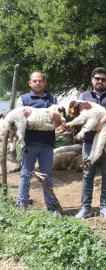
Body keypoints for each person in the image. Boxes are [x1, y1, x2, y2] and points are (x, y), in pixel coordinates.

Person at [75, 67, 106, 219]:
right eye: (97, 78)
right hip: (89, 141)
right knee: (88, 174)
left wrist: (101, 122)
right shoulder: (84, 95)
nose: (100, 81)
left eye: (103, 79)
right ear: (92, 79)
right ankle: (85, 208)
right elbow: (79, 113)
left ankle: (104, 207)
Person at [16, 72, 63, 212]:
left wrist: (56, 117)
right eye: (34, 81)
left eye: (40, 81)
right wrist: (21, 116)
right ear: (30, 83)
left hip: (47, 144)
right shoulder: (23, 99)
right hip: (29, 144)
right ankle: (21, 205)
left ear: (45, 83)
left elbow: (60, 123)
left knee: (46, 175)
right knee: (25, 174)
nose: (37, 83)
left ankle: (51, 205)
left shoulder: (53, 100)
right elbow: (16, 120)